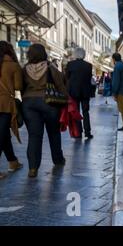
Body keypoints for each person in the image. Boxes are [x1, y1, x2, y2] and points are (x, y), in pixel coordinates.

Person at [22, 44, 67, 178]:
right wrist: (66, 99)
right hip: (49, 102)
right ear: (43, 54)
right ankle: (58, 159)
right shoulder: (50, 67)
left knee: (34, 136)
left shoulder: (25, 69)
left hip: (29, 103)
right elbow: (60, 83)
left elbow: (20, 86)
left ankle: (33, 168)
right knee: (53, 133)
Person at [0, 41, 23, 179]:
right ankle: (13, 162)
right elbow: (18, 86)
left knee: (4, 134)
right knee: (1, 135)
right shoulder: (13, 66)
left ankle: (13, 162)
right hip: (5, 104)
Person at [66, 47, 94, 141]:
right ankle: (88, 132)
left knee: (76, 112)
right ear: (84, 55)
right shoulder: (89, 66)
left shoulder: (70, 64)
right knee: (86, 112)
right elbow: (89, 77)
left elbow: (67, 78)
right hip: (85, 91)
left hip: (74, 92)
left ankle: (78, 132)